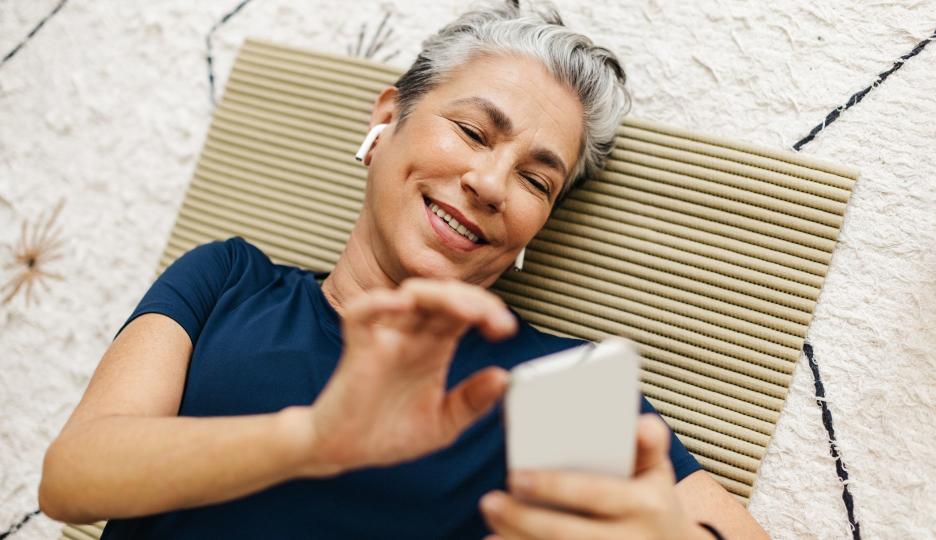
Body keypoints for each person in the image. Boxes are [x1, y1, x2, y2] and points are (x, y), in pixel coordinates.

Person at [39, 2, 770, 538]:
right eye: (474, 131)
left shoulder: (548, 386)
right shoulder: (230, 282)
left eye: (536, 181)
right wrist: (313, 439)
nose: (490, 183)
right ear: (385, 119)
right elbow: (73, 480)